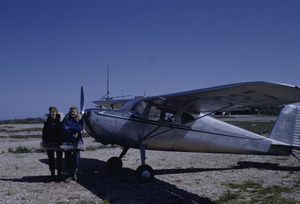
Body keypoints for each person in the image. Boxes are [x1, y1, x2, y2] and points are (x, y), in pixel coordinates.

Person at [61, 106, 84, 182]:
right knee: (67, 158)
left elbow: (79, 128)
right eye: (71, 111)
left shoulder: (79, 119)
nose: (72, 113)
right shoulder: (66, 118)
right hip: (67, 142)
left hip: (76, 141)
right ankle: (69, 174)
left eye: (74, 111)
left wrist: (69, 127)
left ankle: (74, 172)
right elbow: (63, 128)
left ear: (77, 112)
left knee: (76, 157)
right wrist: (73, 128)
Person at [41, 106, 64, 181]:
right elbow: (44, 132)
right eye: (51, 112)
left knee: (59, 159)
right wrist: (44, 140)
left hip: (58, 142)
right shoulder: (47, 121)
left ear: (56, 112)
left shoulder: (60, 121)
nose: (52, 113)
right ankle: (52, 175)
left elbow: (63, 131)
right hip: (49, 142)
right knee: (51, 159)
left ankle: (59, 175)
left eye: (54, 112)